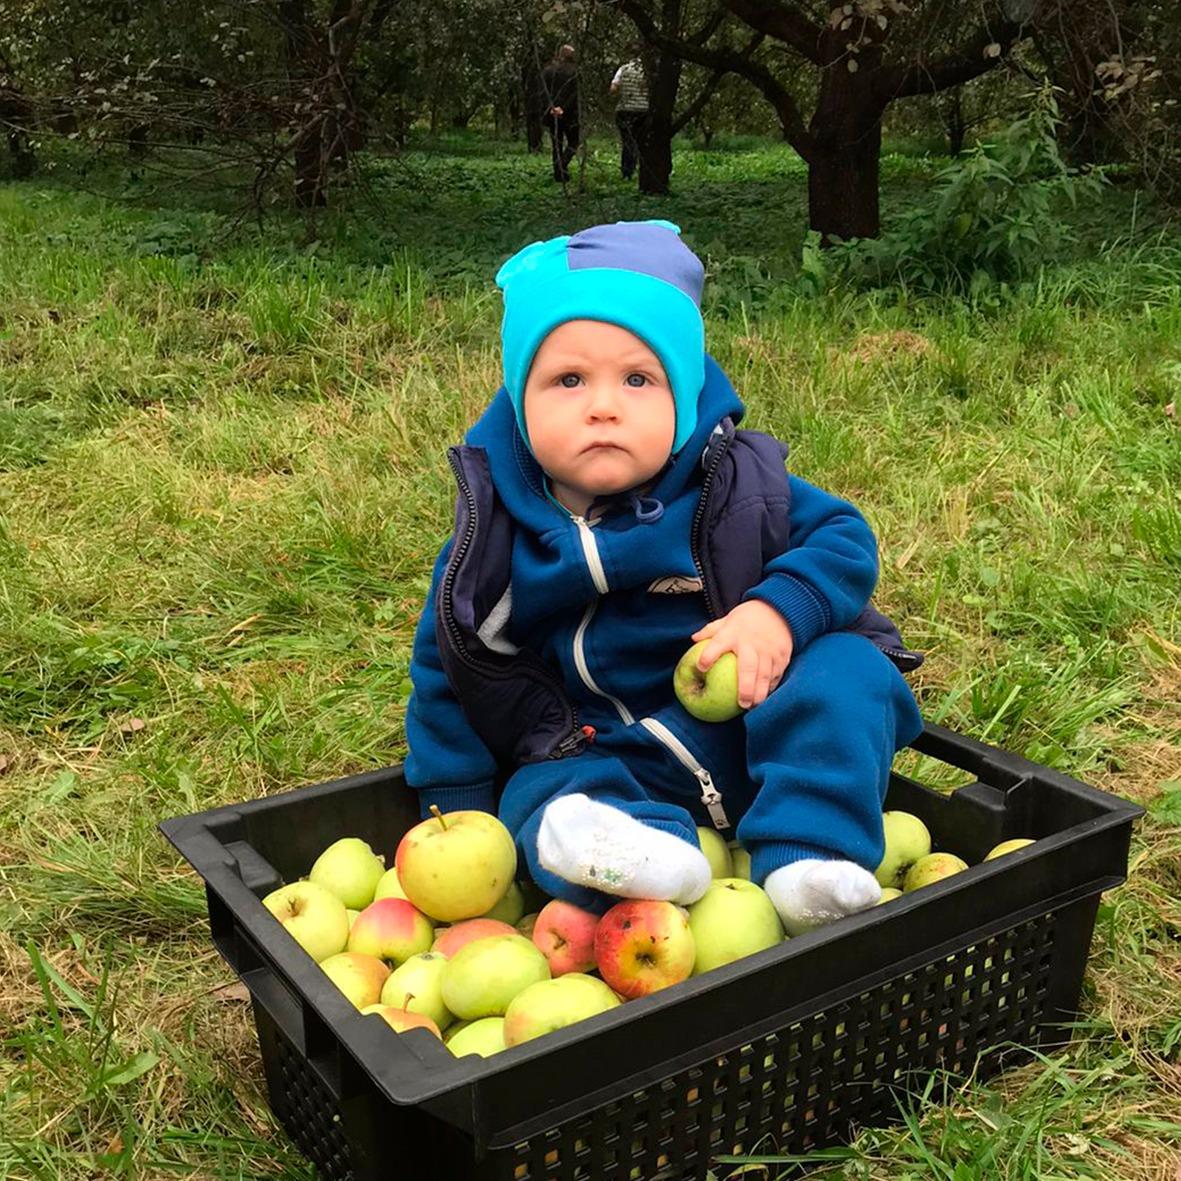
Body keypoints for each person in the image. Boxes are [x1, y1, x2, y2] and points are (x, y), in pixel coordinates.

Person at [404, 220, 925, 935]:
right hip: (608, 752)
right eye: (567, 379)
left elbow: (843, 537)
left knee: (845, 673)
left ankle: (810, 859)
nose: (603, 405)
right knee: (542, 795)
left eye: (639, 378)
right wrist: (454, 805)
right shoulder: (494, 539)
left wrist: (775, 614)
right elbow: (449, 664)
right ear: (517, 401)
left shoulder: (736, 486)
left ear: (683, 394)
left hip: (757, 728)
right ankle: (643, 864)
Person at [539, 44, 580, 183]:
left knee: (557, 142)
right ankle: (561, 165)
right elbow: (574, 94)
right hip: (569, 113)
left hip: (551, 113)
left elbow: (543, 92)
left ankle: (559, 172)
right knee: (574, 141)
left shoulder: (548, 71)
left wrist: (551, 107)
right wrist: (563, 108)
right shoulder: (574, 72)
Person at [610, 57, 649, 181]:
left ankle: (627, 171)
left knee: (627, 141)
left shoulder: (623, 69)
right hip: (643, 110)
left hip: (625, 110)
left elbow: (613, 89)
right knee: (640, 142)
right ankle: (641, 169)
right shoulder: (648, 71)